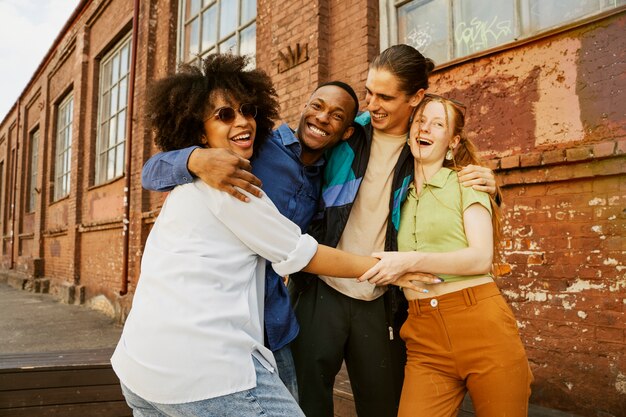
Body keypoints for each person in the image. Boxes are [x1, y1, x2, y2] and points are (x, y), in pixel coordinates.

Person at [111, 53, 384, 417]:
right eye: (317, 106)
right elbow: (151, 171)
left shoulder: (325, 176)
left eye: (337, 116)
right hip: (209, 343)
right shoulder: (240, 162)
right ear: (303, 107)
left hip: (266, 315)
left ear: (347, 130)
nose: (322, 118)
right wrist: (195, 159)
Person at [288, 44, 498, 417]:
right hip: (322, 286)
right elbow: (292, 153)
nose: (372, 104)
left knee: (383, 406)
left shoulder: (423, 146)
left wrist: (492, 188)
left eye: (385, 96)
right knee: (305, 403)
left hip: (383, 298)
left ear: (416, 97)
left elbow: (458, 185)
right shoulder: (348, 131)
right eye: (369, 92)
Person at [358, 94, 532, 416]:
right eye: (421, 120)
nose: (426, 128)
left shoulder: (467, 181)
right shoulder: (398, 195)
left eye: (438, 124)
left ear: (452, 142)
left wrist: (409, 261)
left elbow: (480, 258)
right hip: (424, 338)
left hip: (481, 324)